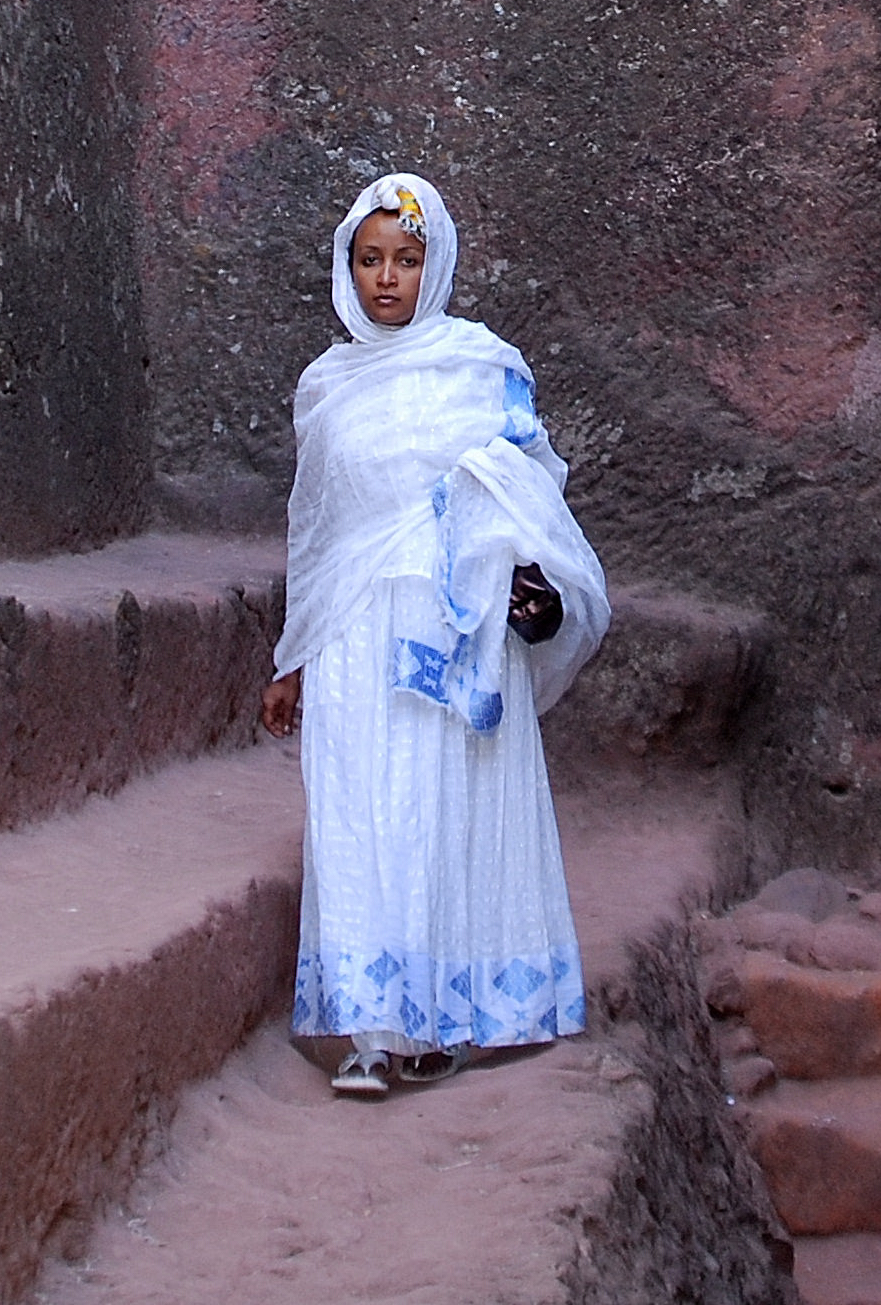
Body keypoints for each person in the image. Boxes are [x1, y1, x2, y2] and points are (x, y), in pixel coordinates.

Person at [261, 172, 610, 1098]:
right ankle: (377, 1033)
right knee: (360, 815)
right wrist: (291, 659)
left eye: (406, 260)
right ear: (346, 268)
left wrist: (533, 583)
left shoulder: (480, 368)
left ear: (437, 264)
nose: (386, 279)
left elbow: (526, 487)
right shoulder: (326, 387)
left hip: (451, 629)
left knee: (438, 814)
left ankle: (441, 1021)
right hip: (350, 643)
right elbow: (319, 530)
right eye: (369, 260)